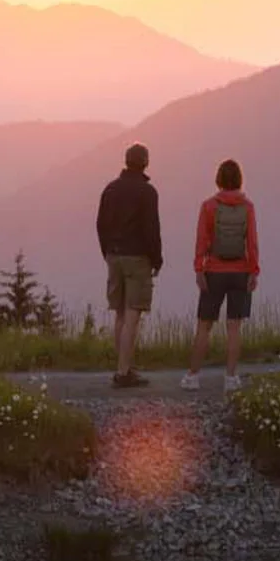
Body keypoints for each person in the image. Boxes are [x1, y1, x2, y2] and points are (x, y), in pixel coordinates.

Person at [183, 157, 258, 390]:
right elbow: (252, 242)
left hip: (214, 271)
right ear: (239, 180)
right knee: (234, 327)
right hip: (240, 272)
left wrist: (199, 269)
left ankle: (193, 377)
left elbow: (202, 241)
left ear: (218, 180)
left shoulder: (209, 206)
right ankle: (231, 378)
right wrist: (253, 271)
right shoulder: (248, 207)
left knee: (204, 326)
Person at [96, 140, 162, 389]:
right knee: (133, 312)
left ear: (126, 161)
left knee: (120, 314)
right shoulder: (147, 192)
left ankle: (122, 366)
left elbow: (100, 224)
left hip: (114, 256)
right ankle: (124, 372)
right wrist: (157, 259)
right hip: (137, 259)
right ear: (145, 162)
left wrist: (107, 251)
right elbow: (151, 229)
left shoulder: (110, 189)